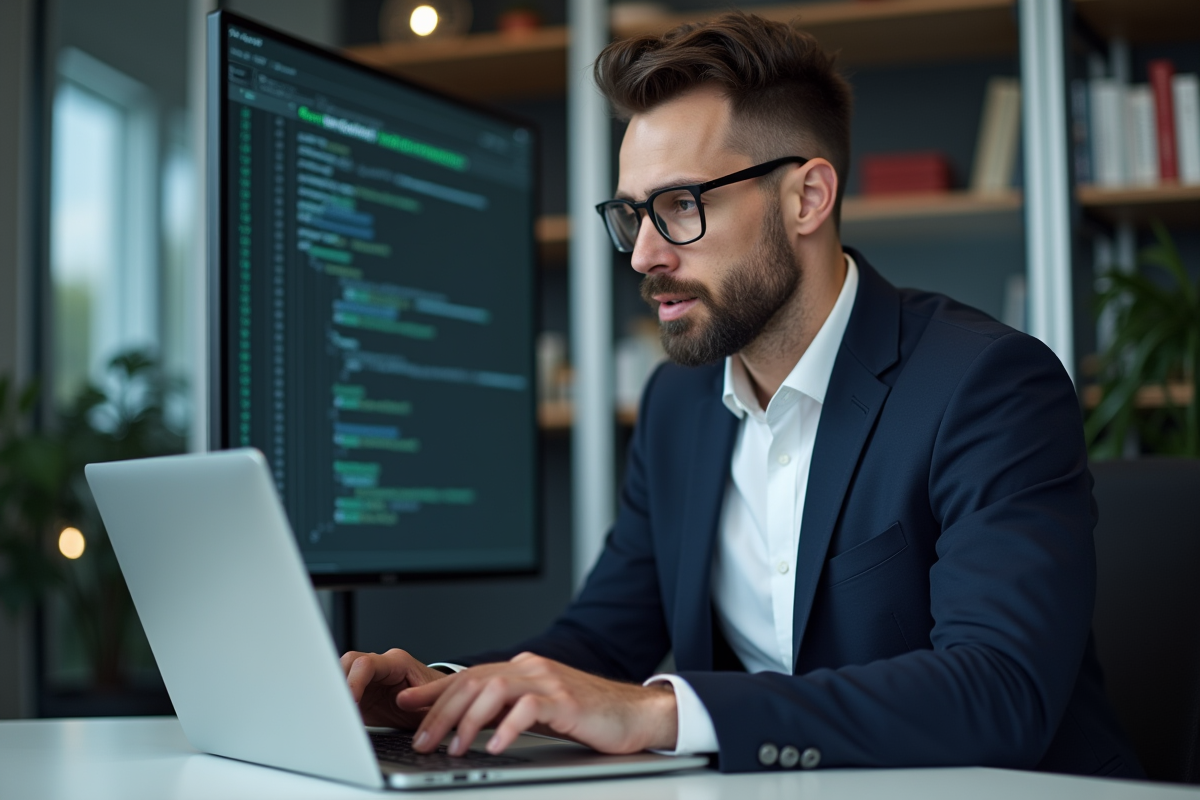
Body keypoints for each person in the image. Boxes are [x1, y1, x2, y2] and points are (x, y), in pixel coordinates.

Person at [341, 12, 1142, 777]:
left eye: (680, 206)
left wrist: (662, 713)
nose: (642, 256)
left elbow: (998, 691)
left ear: (807, 198)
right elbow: (600, 640)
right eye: (631, 216)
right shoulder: (676, 406)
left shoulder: (988, 384)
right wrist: (444, 693)